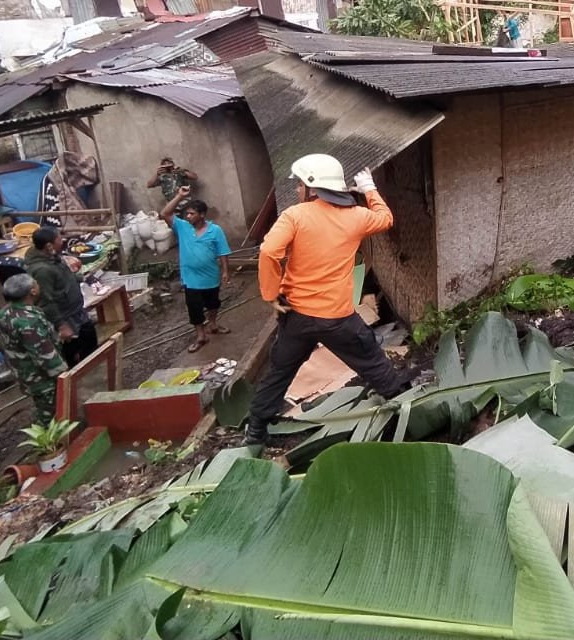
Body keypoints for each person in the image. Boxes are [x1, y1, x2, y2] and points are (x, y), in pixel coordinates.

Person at [245, 154, 408, 447]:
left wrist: (270, 295)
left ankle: (256, 431)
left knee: (280, 372)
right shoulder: (356, 217)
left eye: (299, 185)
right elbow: (386, 218)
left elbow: (269, 251)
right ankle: (405, 411)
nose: (296, 191)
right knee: (372, 362)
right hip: (337, 318)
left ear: (312, 188)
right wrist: (369, 188)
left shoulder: (295, 216)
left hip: (297, 317)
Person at [159, 189, 232, 353]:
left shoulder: (215, 230)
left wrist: (225, 271)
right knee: (194, 307)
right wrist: (179, 196)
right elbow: (165, 213)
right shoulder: (182, 227)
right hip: (190, 278)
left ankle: (213, 324)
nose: (188, 217)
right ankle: (201, 335)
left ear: (202, 215)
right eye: (187, 214)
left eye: (191, 214)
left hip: (211, 276)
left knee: (213, 303)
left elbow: (223, 252)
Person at [0, 274, 67, 425]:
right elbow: (45, 356)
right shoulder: (28, 321)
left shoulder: (4, 314)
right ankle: (54, 444)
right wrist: (65, 375)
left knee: (43, 407)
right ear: (32, 291)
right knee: (53, 415)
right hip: (42, 379)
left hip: (24, 373)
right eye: (36, 283)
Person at [24, 226, 97, 366]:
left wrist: (83, 278)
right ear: (49, 245)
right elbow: (45, 301)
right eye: (59, 238)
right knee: (74, 354)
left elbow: (64, 277)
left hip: (76, 312)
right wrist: (61, 326)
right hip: (65, 317)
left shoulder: (52, 256)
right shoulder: (42, 270)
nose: (62, 240)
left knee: (90, 343)